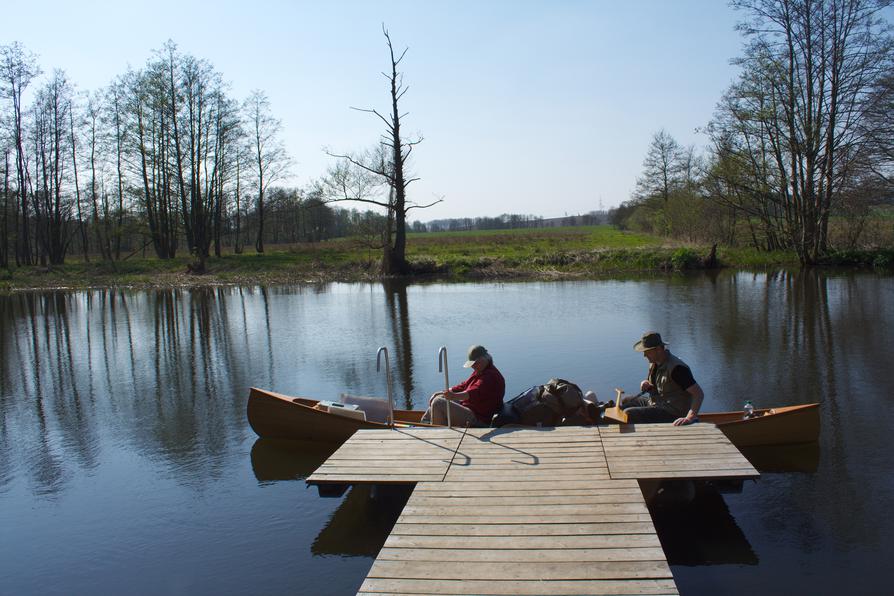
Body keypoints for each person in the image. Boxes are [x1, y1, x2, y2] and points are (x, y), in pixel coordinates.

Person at [622, 331, 704, 426]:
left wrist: (689, 418)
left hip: (672, 412)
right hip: (657, 404)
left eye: (647, 351)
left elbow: (698, 394)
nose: (644, 355)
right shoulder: (654, 362)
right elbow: (660, 387)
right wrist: (646, 383)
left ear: (658, 349)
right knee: (626, 400)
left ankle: (643, 436)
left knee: (629, 413)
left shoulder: (677, 368)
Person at [422, 345, 505, 427]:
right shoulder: (481, 370)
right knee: (440, 398)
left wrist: (453, 396)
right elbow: (465, 385)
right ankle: (423, 424)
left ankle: (438, 434)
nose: (473, 366)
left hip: (478, 419)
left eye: (475, 363)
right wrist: (443, 392)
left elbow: (473, 393)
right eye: (472, 364)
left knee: (438, 403)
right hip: (470, 409)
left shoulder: (490, 376)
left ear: (484, 359)